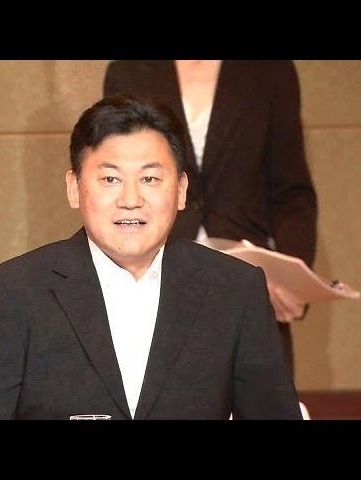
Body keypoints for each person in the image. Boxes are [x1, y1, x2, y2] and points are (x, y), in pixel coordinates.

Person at [0, 94, 301, 420]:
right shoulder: (14, 294)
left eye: (150, 179)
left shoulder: (235, 291)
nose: (131, 200)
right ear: (74, 187)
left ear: (181, 190)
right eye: (111, 179)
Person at [103, 60, 318, 377]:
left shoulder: (270, 70)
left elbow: (291, 192)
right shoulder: (130, 69)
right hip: (153, 275)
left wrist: (290, 279)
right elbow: (116, 179)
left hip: (249, 280)